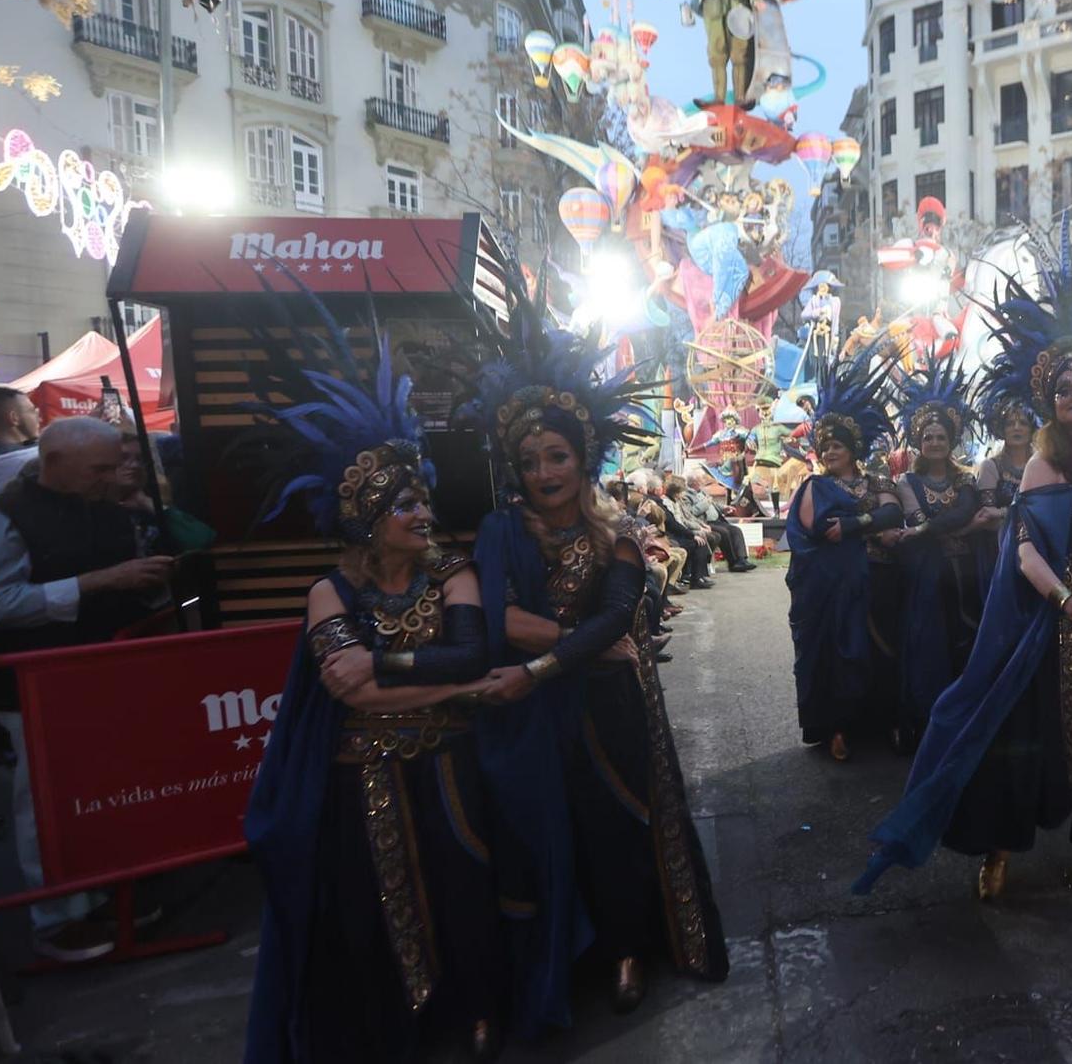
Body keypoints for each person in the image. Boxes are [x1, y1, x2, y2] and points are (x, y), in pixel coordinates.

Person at [241, 313, 520, 1062]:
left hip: (447, 769)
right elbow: (350, 693)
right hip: (359, 779)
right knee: (372, 905)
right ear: (368, 519)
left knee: (466, 884)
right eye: (406, 505)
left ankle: (480, 1010)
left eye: (424, 500)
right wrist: (445, 689)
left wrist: (394, 668)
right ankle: (399, 1022)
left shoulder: (451, 572)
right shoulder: (327, 592)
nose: (424, 514)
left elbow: (467, 656)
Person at [857, 254, 1072, 925]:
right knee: (1017, 741)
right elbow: (1023, 548)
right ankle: (997, 848)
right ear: (1049, 400)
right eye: (1065, 387)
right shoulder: (1044, 463)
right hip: (1049, 624)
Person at [472, 308, 728, 1016]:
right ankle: (568, 952)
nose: (543, 471)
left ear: (583, 457)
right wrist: (566, 636)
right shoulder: (501, 532)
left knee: (614, 823)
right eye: (529, 461)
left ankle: (625, 947)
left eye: (556, 455)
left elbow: (621, 617)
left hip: (607, 704)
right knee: (540, 832)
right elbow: (495, 618)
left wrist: (538, 659)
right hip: (533, 713)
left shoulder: (614, 530)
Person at [0, 416, 174, 961]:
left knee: (97, 789)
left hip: (99, 671)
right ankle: (56, 918)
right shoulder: (3, 517)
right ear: (55, 463)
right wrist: (96, 584)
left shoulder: (107, 506)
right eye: (99, 469)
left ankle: (101, 894)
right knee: (44, 799)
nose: (111, 477)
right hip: (33, 682)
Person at [786, 355, 903, 761]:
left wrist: (854, 527)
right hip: (832, 587)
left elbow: (892, 513)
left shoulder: (877, 480)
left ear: (853, 449)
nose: (830, 451)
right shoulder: (815, 485)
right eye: (825, 446)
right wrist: (868, 527)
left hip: (879, 579)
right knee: (837, 655)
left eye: (837, 445)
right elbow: (814, 530)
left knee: (883, 651)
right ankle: (839, 728)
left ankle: (885, 723)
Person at [883, 351, 982, 749]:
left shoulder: (968, 479)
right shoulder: (907, 480)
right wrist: (957, 524)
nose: (935, 442)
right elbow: (925, 518)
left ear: (952, 441)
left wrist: (930, 527)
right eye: (928, 438)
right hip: (928, 577)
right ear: (918, 443)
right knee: (927, 648)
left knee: (967, 645)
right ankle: (924, 727)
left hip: (969, 575)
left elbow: (964, 510)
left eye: (941, 437)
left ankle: (964, 725)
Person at [969, 393, 1037, 590]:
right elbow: (987, 518)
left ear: (1032, 428)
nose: (1016, 427)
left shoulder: (1044, 464)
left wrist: (1002, 512)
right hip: (999, 551)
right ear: (1001, 429)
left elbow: (1047, 512)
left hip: (1039, 547)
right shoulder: (990, 466)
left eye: (1023, 423)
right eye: (1010, 423)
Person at [676, 473, 754, 572]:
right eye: (700, 481)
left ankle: (742, 559)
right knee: (724, 532)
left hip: (717, 520)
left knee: (736, 530)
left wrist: (724, 508)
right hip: (704, 523)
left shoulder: (703, 492)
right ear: (694, 483)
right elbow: (691, 513)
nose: (703, 483)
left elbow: (713, 504)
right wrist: (704, 504)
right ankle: (733, 562)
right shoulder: (686, 496)